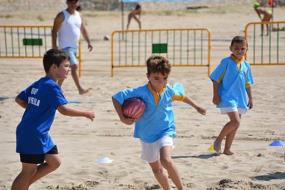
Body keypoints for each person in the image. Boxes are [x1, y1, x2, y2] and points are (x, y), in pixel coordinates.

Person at [112, 56, 206, 190]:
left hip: (165, 131)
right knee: (157, 170)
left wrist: (197, 106)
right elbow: (116, 97)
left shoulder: (168, 90)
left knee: (166, 160)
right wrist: (122, 117)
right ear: (148, 76)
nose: (161, 82)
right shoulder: (140, 92)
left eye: (165, 78)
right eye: (156, 78)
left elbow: (183, 97)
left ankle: (181, 188)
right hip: (146, 135)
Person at [11, 49, 95, 190]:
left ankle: (24, 186)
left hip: (38, 133)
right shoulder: (51, 87)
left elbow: (19, 99)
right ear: (54, 67)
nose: (69, 69)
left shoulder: (41, 82)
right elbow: (64, 110)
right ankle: (21, 186)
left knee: (54, 162)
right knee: (28, 170)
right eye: (66, 66)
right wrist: (86, 113)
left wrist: (35, 110)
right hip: (33, 134)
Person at [209, 36, 254, 156]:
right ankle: (218, 140)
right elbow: (215, 79)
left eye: (242, 48)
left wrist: (250, 97)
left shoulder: (246, 65)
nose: (239, 51)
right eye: (236, 48)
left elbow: (248, 83)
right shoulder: (226, 62)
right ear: (231, 48)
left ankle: (227, 149)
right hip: (227, 97)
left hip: (240, 98)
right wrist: (215, 95)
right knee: (236, 122)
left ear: (246, 49)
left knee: (235, 125)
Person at [52, 0, 93, 95]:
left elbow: (83, 29)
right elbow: (54, 31)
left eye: (75, 2)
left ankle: (56, 89)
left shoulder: (78, 15)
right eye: (71, 2)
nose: (73, 4)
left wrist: (89, 42)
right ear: (67, 3)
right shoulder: (62, 15)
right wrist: (54, 47)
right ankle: (80, 89)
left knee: (64, 70)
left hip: (74, 47)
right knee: (74, 66)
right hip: (64, 47)